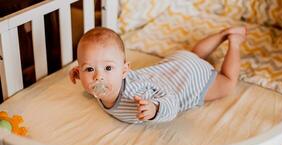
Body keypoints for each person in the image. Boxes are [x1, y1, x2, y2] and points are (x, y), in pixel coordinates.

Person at [69, 26, 246, 123]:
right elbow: (94, 79)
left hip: (189, 80)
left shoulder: (135, 95)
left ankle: (234, 41)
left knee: (228, 83)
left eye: (108, 68)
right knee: (193, 54)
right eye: (89, 69)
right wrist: (81, 73)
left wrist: (155, 110)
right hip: (176, 62)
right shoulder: (103, 85)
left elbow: (172, 102)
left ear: (124, 71)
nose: (98, 77)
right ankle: (222, 34)